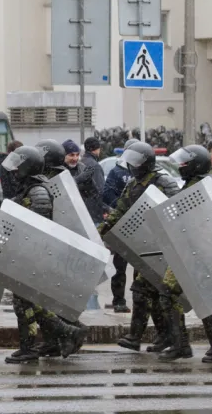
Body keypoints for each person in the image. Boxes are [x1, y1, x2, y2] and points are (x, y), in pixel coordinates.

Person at [0, 146, 87, 363]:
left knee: (26, 302)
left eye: (18, 168)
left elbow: (38, 228)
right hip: (28, 255)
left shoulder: (37, 191)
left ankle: (63, 333)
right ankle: (41, 341)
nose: (13, 172)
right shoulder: (30, 188)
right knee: (25, 303)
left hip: (34, 256)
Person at [99, 142, 180, 355]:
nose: (133, 166)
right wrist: (104, 228)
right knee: (149, 294)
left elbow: (177, 210)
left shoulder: (163, 182)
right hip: (142, 246)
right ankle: (164, 336)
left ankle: (138, 337)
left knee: (144, 291)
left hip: (163, 248)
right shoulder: (133, 184)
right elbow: (121, 209)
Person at [157, 144, 211, 362]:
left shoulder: (203, 187)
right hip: (189, 251)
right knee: (169, 293)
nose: (180, 166)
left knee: (204, 297)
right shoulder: (191, 185)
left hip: (202, 251)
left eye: (184, 163)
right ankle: (180, 344)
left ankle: (181, 344)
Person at [102, 139, 140, 313]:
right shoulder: (117, 172)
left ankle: (141, 301)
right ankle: (119, 300)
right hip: (122, 223)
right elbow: (107, 194)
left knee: (142, 267)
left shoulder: (147, 174)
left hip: (142, 225)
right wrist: (122, 207)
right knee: (120, 266)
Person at [80, 137, 107, 223]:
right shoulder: (95, 166)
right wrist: (105, 208)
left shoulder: (80, 163)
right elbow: (101, 190)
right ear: (97, 149)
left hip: (81, 209)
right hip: (94, 212)